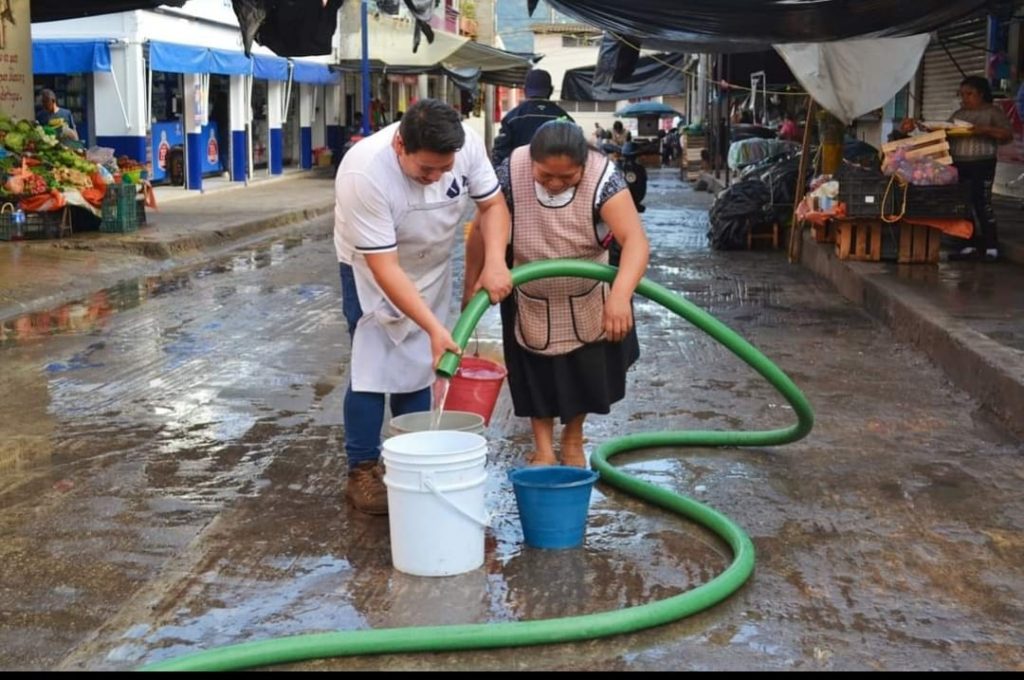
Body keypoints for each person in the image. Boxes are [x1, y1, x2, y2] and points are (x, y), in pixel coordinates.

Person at [334, 98, 513, 514]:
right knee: (372, 366)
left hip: (431, 260)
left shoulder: (466, 144)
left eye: (443, 170)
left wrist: (495, 262)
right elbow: (385, 266)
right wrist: (434, 328)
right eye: (425, 170)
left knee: (418, 366)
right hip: (372, 267)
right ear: (400, 146)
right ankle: (361, 469)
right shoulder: (365, 172)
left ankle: (410, 460)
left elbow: (493, 206)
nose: (434, 178)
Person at [465, 120, 649, 468]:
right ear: (531, 160)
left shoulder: (603, 177)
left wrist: (621, 296)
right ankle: (543, 448)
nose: (554, 184)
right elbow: (481, 227)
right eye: (545, 175)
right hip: (529, 293)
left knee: (583, 371)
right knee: (534, 373)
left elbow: (636, 241)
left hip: (586, 292)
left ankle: (574, 438)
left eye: (567, 178)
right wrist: (475, 281)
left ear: (583, 164)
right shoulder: (511, 170)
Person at [942, 76, 1012, 262]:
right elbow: (945, 132)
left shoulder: (992, 112)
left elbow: (1006, 135)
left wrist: (985, 130)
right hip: (959, 163)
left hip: (983, 163)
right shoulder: (959, 114)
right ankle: (968, 245)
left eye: (969, 94)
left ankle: (991, 248)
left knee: (983, 203)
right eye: (962, 94)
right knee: (963, 204)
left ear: (981, 94)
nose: (965, 98)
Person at [491, 68, 573, 166]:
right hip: (554, 174)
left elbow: (500, 153)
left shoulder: (512, 118)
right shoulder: (564, 118)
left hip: (518, 173)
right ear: (551, 90)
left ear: (525, 90)